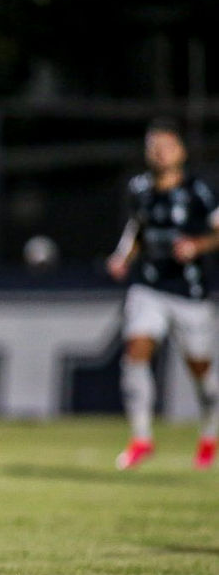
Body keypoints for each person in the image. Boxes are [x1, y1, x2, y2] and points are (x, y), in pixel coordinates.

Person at [106, 118, 219, 470]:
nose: (159, 152)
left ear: (181, 151)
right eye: (153, 146)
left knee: (200, 370)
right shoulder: (139, 188)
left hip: (190, 290)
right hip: (149, 285)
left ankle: (210, 434)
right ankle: (141, 438)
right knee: (136, 349)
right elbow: (136, 228)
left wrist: (198, 245)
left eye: (167, 145)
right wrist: (123, 256)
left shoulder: (200, 190)